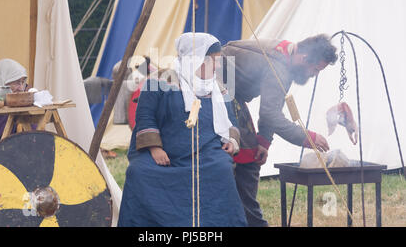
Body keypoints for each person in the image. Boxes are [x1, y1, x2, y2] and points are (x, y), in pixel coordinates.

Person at [118, 32, 247, 227]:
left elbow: (230, 120)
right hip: (165, 151)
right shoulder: (158, 82)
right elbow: (145, 116)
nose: (219, 65)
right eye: (214, 61)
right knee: (138, 172)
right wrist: (155, 149)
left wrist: (232, 140)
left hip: (206, 152)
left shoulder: (218, 87)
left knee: (221, 169)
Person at [217, 34, 338, 227]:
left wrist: (264, 141)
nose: (314, 75)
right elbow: (271, 114)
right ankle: (249, 221)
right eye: (315, 69)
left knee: (251, 155)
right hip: (215, 92)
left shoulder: (287, 54)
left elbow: (272, 106)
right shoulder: (279, 66)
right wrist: (307, 137)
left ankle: (247, 219)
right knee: (245, 159)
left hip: (232, 95)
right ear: (304, 58)